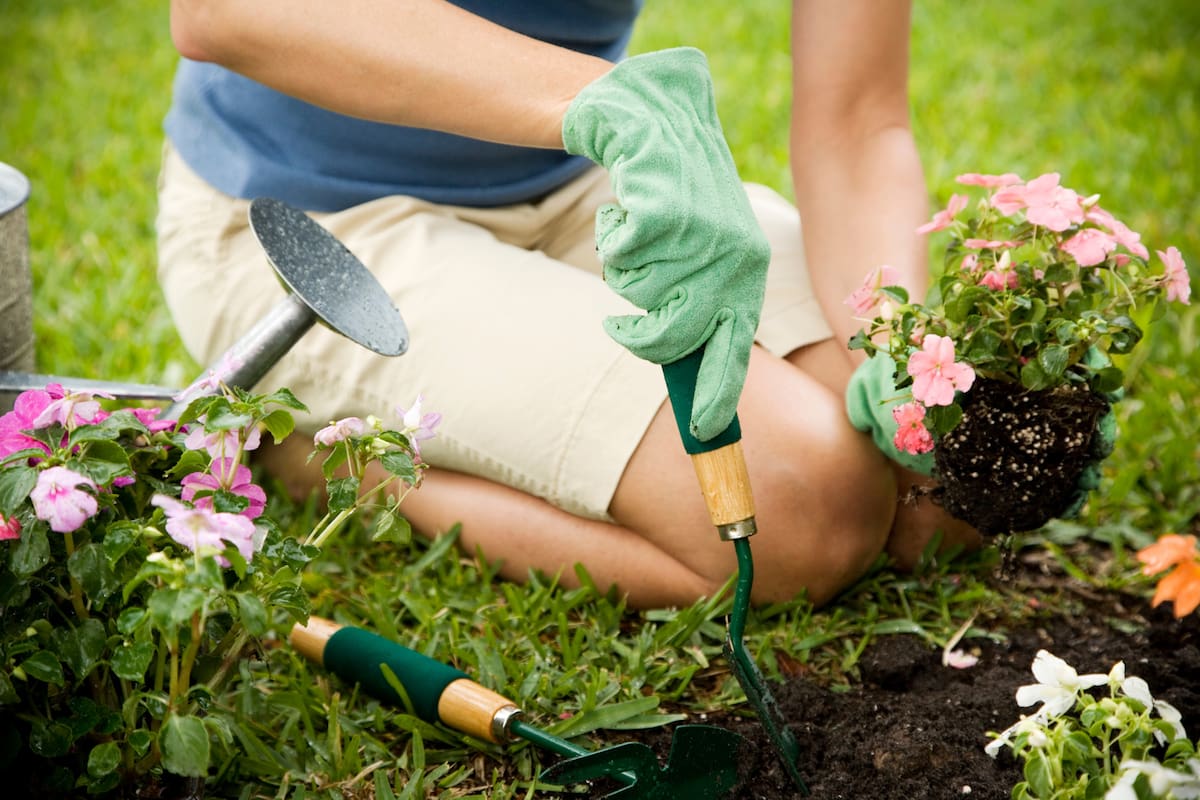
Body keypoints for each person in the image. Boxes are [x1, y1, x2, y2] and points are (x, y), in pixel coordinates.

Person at [159, 0, 980, 610]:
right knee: (802, 516)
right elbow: (223, 10)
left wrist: (894, 346)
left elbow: (857, 120)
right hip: (313, 230)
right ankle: (326, 457)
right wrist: (610, 102)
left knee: (942, 495)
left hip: (570, 174)